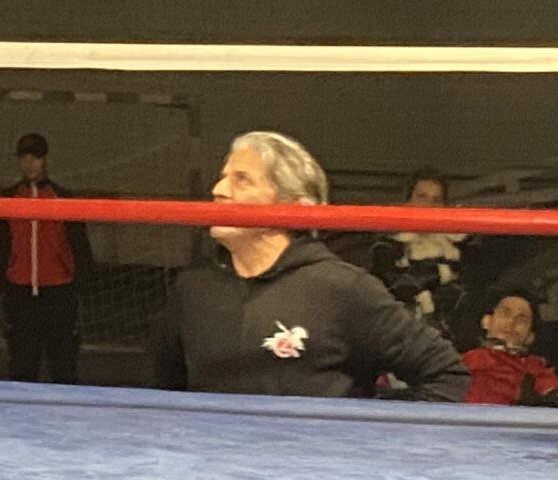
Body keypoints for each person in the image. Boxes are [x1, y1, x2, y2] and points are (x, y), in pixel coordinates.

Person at [153, 131, 467, 402]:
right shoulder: (193, 289)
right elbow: (164, 391)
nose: (219, 190)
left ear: (292, 207)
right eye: (223, 177)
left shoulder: (342, 289)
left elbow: (446, 374)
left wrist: (374, 438)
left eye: (241, 179)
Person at [0, 132, 94, 385]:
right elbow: (0, 247)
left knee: (63, 366)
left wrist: (75, 286)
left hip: (58, 293)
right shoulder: (7, 199)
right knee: (22, 367)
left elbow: (79, 247)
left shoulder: (64, 198)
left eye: (35, 157)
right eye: (24, 158)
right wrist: (4, 285)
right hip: (19, 293)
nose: (30, 164)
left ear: (45, 159)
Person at [367, 169, 468, 339]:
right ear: (407, 202)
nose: (429, 205)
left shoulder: (458, 252)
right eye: (422, 197)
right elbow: (395, 288)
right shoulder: (386, 247)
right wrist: (438, 272)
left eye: (436, 200)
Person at [462, 289, 558, 407]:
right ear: (486, 321)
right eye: (505, 313)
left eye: (522, 320)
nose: (511, 322)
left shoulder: (534, 367)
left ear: (530, 336)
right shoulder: (470, 359)